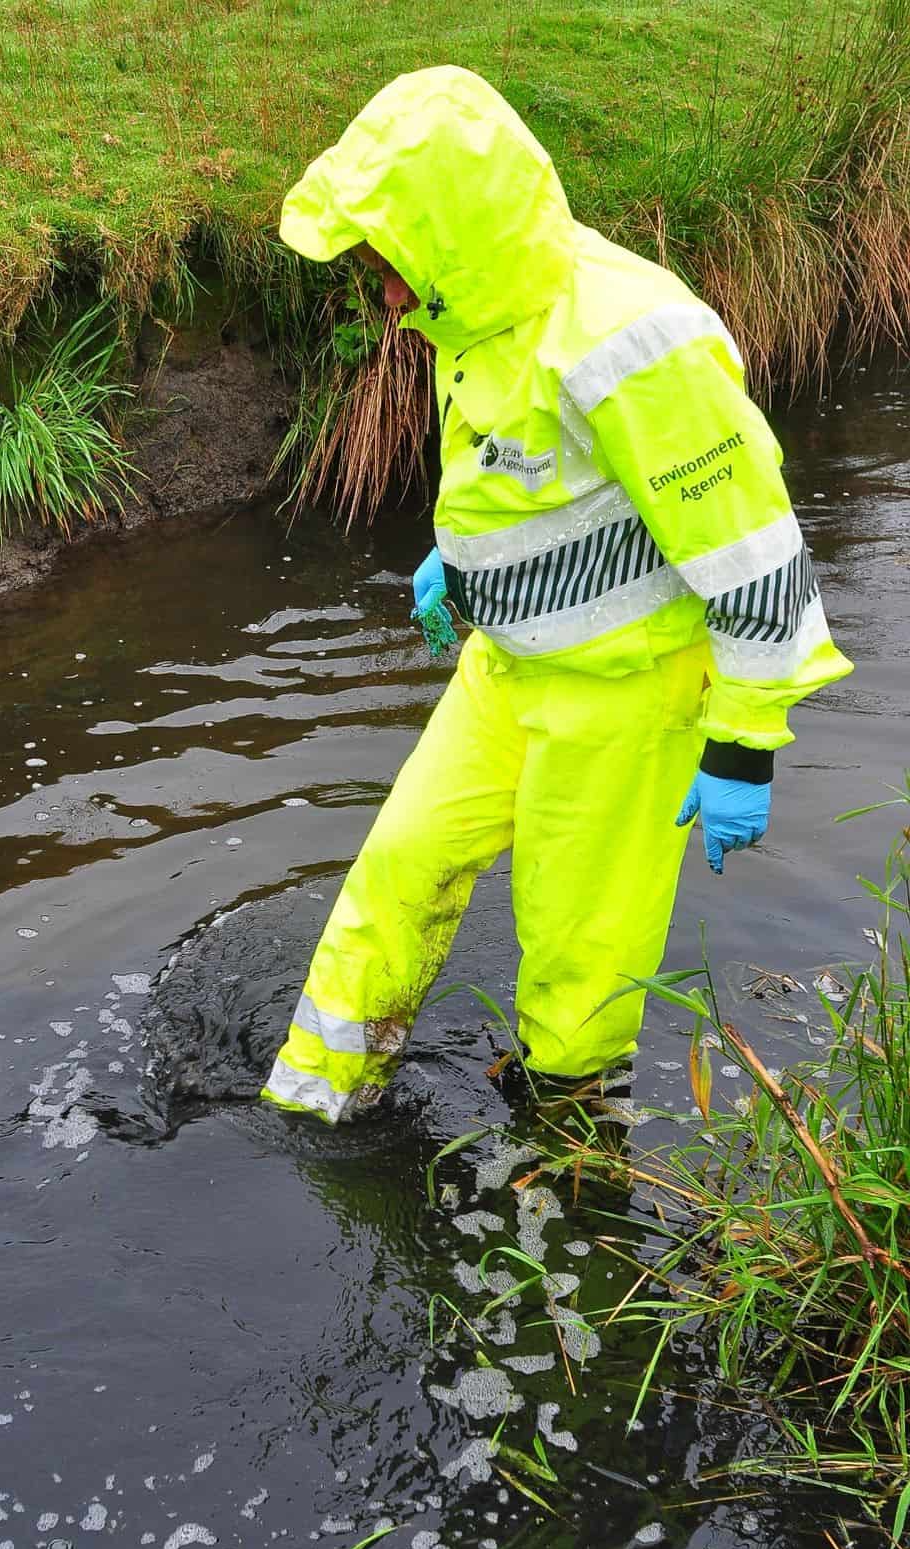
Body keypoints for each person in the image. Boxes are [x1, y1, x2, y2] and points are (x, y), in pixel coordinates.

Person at [262, 66, 852, 1126]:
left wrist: (743, 744)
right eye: (375, 270)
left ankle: (571, 1171)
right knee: (402, 866)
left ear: (451, 235)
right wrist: (470, 569)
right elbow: (525, 478)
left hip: (627, 700)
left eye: (390, 267)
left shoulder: (630, 338)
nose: (385, 296)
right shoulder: (475, 311)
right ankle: (313, 1107)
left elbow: (753, 551)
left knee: (579, 969)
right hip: (508, 670)